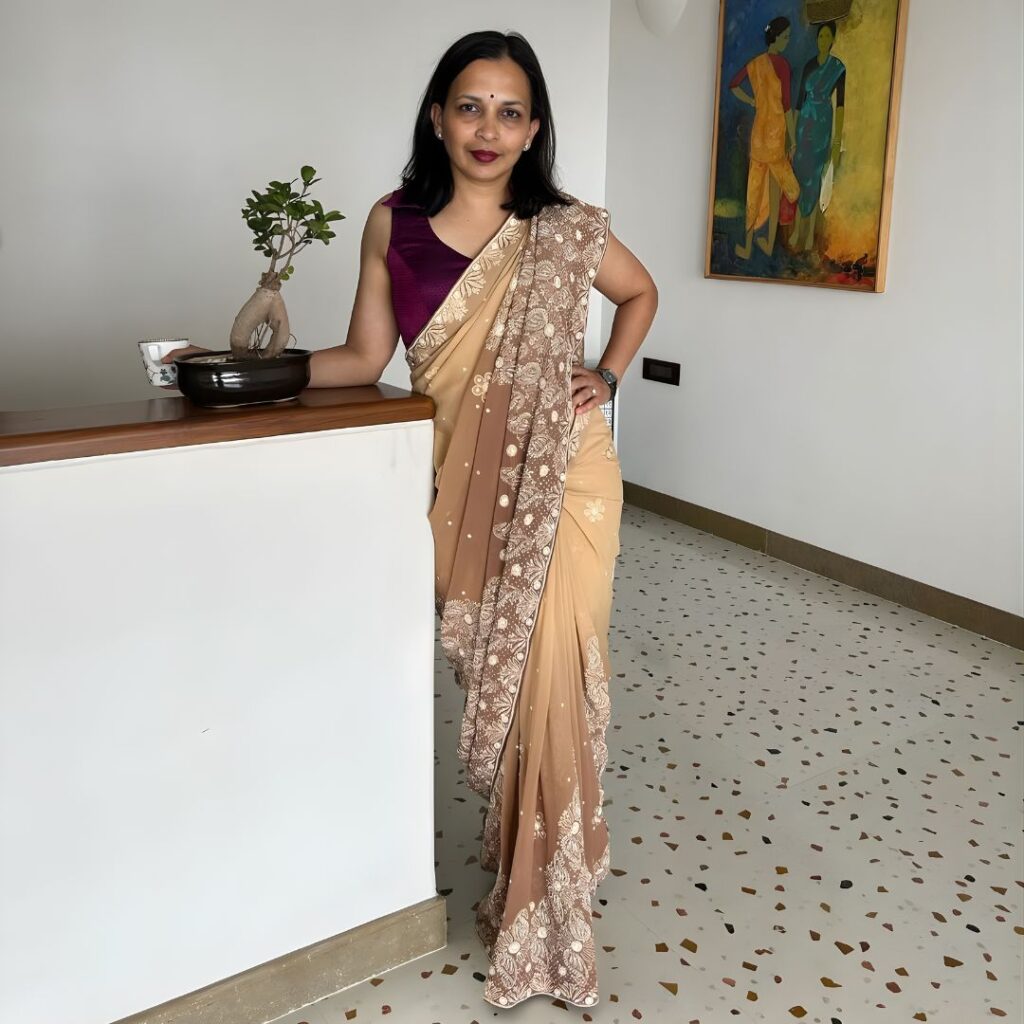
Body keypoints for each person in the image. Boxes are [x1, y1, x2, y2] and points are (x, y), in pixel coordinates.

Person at [166, 30, 657, 1010]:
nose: (488, 127)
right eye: (470, 105)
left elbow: (640, 293)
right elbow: (362, 357)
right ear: (437, 115)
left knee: (553, 686)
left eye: (510, 110)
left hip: (568, 481)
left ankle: (549, 921)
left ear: (533, 129)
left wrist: (602, 376)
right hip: (463, 491)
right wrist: (261, 355)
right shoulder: (395, 224)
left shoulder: (564, 226)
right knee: (506, 690)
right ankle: (526, 881)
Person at [729, 16, 801, 259]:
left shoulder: (755, 63)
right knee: (781, 190)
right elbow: (788, 105)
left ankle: (748, 247)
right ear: (777, 37)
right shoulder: (781, 65)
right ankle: (769, 242)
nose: (788, 41)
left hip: (759, 136)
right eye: (786, 37)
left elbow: (734, 85)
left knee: (755, 190)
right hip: (776, 136)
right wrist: (793, 139)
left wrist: (752, 100)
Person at [791, 20, 846, 251]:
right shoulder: (809, 66)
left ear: (832, 40)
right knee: (800, 177)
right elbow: (797, 103)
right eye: (820, 36)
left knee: (816, 178)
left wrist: (836, 140)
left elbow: (841, 105)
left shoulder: (838, 68)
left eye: (827, 37)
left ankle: (810, 234)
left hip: (823, 125)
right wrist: (792, 138)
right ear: (817, 40)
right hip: (805, 125)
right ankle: (796, 231)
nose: (823, 41)